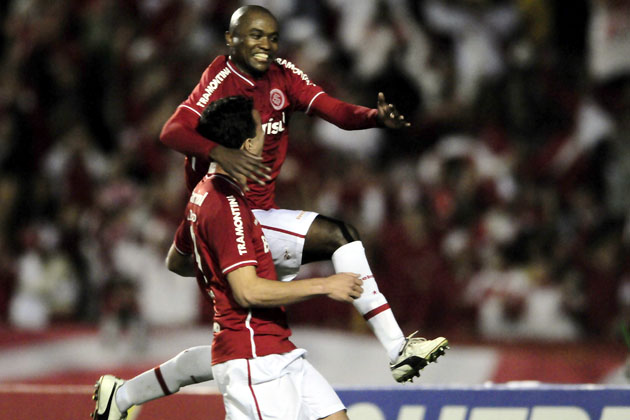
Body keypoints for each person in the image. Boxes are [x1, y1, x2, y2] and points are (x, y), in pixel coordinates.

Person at [160, 4, 447, 379]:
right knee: (339, 236)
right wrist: (219, 152)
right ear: (231, 39)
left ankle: (126, 393)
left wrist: (372, 117)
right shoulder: (219, 78)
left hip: (248, 217)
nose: (266, 44)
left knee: (241, 341)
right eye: (255, 35)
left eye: (272, 37)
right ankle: (398, 349)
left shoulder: (283, 75)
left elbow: (334, 110)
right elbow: (171, 131)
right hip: (229, 212)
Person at [93, 96, 364, 420]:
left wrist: (228, 268)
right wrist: (325, 285)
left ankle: (124, 395)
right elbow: (248, 291)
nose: (269, 132)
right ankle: (124, 395)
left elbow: (177, 261)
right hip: (254, 360)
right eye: (262, 127)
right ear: (248, 144)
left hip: (276, 348)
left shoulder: (206, 193)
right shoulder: (226, 205)